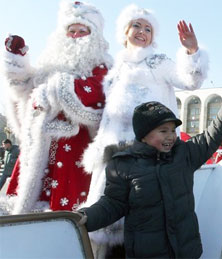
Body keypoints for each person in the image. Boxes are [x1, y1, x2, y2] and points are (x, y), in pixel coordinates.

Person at [79, 4, 208, 254]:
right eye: (136, 25)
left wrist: (191, 50)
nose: (142, 31)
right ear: (125, 30)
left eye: (148, 28)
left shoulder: (157, 62)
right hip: (114, 158)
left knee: (143, 223)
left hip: (150, 156)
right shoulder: (115, 71)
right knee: (107, 225)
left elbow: (190, 80)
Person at [78, 85, 222, 258]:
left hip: (185, 250)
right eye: (163, 131)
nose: (170, 136)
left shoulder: (184, 155)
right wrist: (85, 218)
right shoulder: (124, 165)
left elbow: (211, 137)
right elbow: (112, 204)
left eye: (172, 130)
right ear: (143, 135)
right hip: (148, 253)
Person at [0, 1, 111, 214]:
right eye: (71, 31)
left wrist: (56, 88)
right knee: (28, 200)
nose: (76, 35)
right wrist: (16, 61)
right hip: (40, 145)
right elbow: (25, 89)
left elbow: (98, 90)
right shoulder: (49, 62)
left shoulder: (102, 64)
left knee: (70, 208)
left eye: (82, 31)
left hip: (76, 146)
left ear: (93, 36)